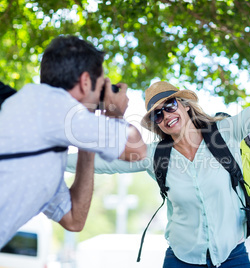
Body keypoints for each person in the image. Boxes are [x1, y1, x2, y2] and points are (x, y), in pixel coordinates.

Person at [67, 33, 250, 267]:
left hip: (233, 257)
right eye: (157, 114)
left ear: (185, 105)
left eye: (170, 106)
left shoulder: (225, 132)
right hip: (182, 260)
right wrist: (53, 158)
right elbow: (104, 162)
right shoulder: (155, 156)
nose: (166, 115)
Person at [0, 35, 147, 247]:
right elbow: (137, 149)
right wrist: (115, 115)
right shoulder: (50, 105)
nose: (101, 96)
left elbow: (74, 219)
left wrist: (89, 145)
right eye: (100, 87)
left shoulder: (46, 137)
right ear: (85, 81)